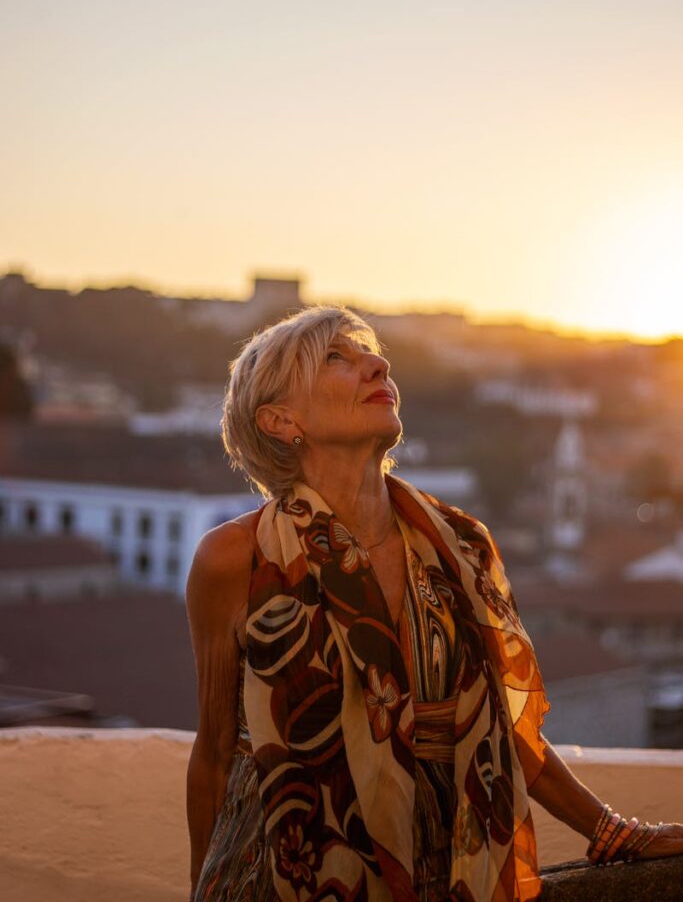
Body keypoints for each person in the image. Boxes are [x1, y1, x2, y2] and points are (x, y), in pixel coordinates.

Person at [185, 305, 683, 902]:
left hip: (433, 869)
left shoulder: (459, 546)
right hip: (273, 872)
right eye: (337, 358)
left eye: (372, 353)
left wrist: (610, 831)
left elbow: (501, 729)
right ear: (280, 420)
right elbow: (215, 751)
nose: (378, 363)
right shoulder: (233, 558)